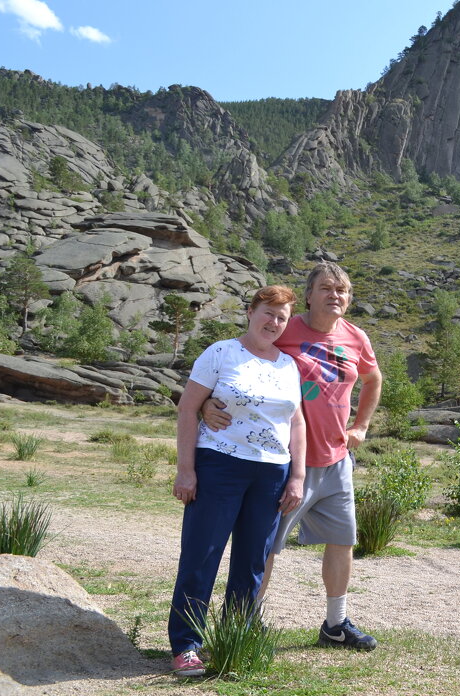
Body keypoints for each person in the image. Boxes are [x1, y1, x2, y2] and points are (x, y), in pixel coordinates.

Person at [203, 262, 383, 651]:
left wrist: (361, 426)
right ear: (309, 294)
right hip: (285, 463)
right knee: (264, 547)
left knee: (342, 541)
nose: (336, 296)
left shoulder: (356, 337)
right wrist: (204, 406)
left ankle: (335, 626)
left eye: (343, 290)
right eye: (327, 289)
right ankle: (244, 625)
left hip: (337, 460)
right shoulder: (286, 328)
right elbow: (239, 361)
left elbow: (373, 379)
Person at [168, 285, 306, 677]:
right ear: (250, 311)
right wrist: (186, 469)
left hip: (272, 473)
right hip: (220, 466)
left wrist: (297, 475)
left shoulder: (287, 365)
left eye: (282, 317)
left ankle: (234, 638)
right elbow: (188, 409)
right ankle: (186, 645)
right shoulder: (221, 353)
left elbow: (296, 421)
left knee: (251, 562)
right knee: (202, 555)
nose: (274, 322)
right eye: (268, 313)